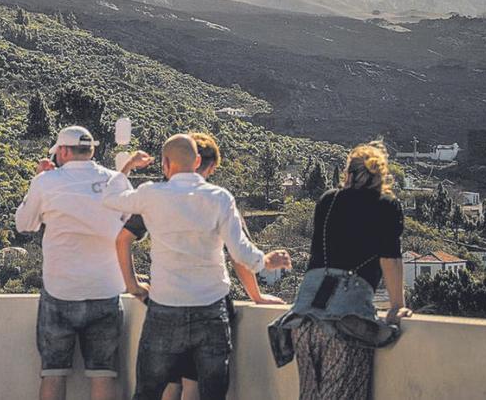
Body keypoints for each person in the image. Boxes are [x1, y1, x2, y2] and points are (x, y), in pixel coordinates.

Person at [104, 134, 291, 400]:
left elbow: (111, 198)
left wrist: (128, 168)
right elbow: (239, 251)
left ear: (165, 163)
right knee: (211, 393)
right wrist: (265, 261)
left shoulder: (150, 194)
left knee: (147, 391)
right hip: (211, 308)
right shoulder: (220, 197)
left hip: (165, 308)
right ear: (198, 161)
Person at [14, 126, 147, 400]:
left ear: (63, 151)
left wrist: (39, 179)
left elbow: (24, 224)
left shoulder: (46, 181)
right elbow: (132, 227)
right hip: (106, 290)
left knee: (53, 373)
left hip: (60, 291)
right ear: (92, 150)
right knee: (104, 376)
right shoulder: (115, 181)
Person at [280, 142, 411, 400]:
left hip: (304, 316)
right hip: (345, 319)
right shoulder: (386, 205)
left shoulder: (328, 200)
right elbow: (390, 260)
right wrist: (397, 305)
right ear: (380, 175)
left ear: (348, 173)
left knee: (309, 395)